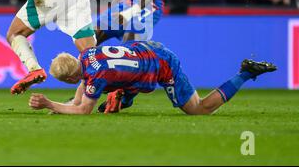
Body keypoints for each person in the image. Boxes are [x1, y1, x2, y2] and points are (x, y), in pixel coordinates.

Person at [29, 41, 276, 115]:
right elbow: (78, 97)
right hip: (145, 51)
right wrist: (63, 108)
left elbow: (83, 109)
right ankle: (124, 96)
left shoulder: (95, 76)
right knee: (113, 93)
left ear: (71, 78)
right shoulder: (85, 56)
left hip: (161, 65)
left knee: (199, 109)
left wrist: (51, 104)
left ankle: (245, 73)